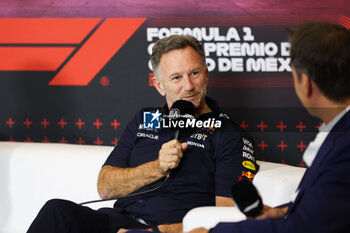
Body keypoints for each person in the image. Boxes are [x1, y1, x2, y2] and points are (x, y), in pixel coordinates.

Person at [27, 35, 259, 233]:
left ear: (206, 74)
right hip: (116, 221)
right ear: (159, 85)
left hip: (166, 229)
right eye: (176, 77)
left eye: (195, 73)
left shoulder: (230, 135)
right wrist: (157, 167)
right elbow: (105, 187)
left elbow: (226, 216)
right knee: (56, 211)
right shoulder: (145, 118)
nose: (188, 86)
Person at [188, 21, 350, 233]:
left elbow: (304, 227)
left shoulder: (344, 146)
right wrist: (281, 212)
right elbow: (325, 208)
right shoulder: (340, 132)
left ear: (307, 83)